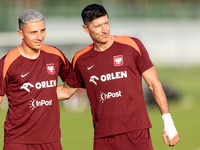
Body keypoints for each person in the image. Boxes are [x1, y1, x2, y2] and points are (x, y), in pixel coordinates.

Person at [62, 3, 179, 150]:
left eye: (106, 23)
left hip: (136, 133)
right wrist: (32, 91)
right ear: (86, 29)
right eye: (98, 26)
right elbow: (66, 91)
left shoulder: (131, 45)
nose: (104, 30)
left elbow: (154, 84)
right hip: (103, 137)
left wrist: (168, 122)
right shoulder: (81, 58)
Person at [0, 9, 77, 150]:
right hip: (17, 141)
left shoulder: (54, 55)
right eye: (33, 32)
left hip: (51, 140)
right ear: (21, 34)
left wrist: (48, 93)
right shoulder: (8, 62)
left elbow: (74, 80)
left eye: (43, 30)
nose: (40, 37)